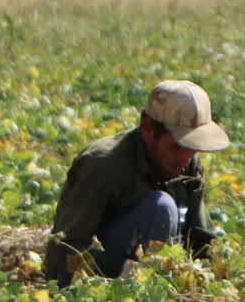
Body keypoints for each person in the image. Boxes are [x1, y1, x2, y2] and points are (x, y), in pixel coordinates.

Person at [44, 80, 229, 287]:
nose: (185, 159)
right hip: (97, 286)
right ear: (148, 129)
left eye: (193, 147)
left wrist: (218, 277)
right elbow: (63, 251)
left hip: (154, 286)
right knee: (161, 207)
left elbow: (200, 239)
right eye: (177, 146)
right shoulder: (103, 165)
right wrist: (128, 272)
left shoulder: (188, 166)